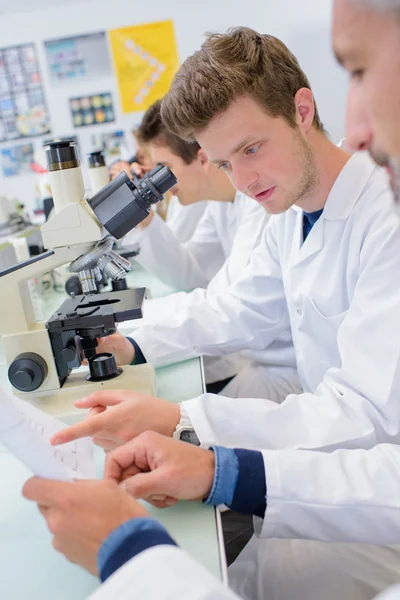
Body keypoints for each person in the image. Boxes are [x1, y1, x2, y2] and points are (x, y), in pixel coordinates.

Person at [22, 20, 400, 600]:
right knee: (232, 564)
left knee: (251, 578)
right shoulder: (293, 209)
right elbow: (236, 307)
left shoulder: (383, 216)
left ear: (302, 110)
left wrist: (195, 433)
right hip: (332, 468)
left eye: (251, 148)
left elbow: (366, 415)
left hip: (375, 499)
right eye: (225, 163)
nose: (244, 180)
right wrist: (129, 344)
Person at [101, 99, 272, 392]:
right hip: (251, 353)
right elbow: (189, 273)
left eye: (164, 168)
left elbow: (232, 308)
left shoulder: (259, 206)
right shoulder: (219, 204)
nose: (161, 180)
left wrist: (135, 343)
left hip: (265, 361)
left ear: (203, 158)